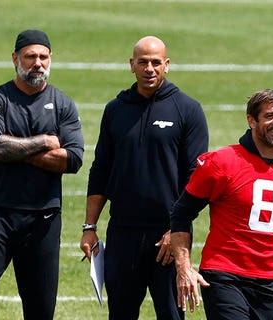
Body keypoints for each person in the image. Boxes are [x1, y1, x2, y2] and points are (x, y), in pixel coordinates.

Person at [0, 29, 84, 320]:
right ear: (16, 59)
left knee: (40, 305)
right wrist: (45, 141)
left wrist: (16, 146)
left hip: (44, 217)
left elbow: (73, 159)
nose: (37, 63)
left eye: (43, 57)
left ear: (50, 59)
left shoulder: (63, 104)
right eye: (30, 57)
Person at [79, 36, 209, 320]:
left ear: (167, 65)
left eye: (155, 62)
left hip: (166, 236)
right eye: (142, 62)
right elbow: (100, 169)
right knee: (121, 314)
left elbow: (197, 178)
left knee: (172, 315)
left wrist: (175, 231)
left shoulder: (188, 109)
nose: (149, 69)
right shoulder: (116, 109)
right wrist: (90, 226)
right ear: (131, 65)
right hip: (122, 232)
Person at [170, 89, 273, 319]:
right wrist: (184, 267)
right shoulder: (221, 162)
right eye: (270, 116)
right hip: (224, 276)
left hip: (268, 282)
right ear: (251, 120)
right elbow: (182, 212)